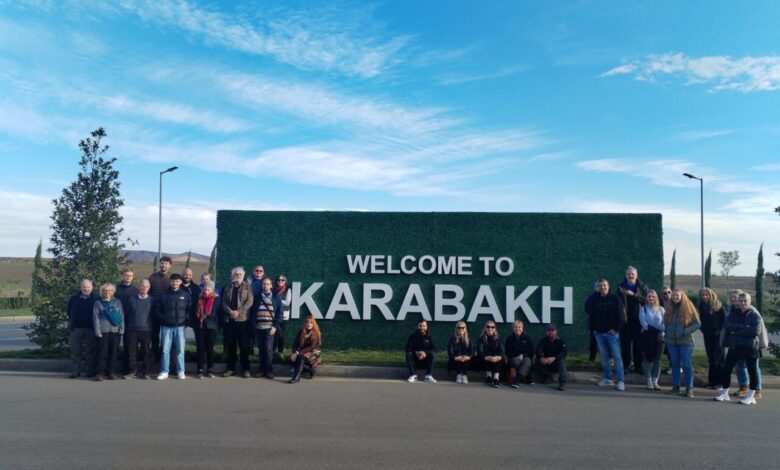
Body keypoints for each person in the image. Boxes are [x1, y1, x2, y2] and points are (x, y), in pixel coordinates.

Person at [715, 292, 762, 405]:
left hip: (750, 348)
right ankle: (725, 393)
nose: (743, 303)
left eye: (745, 301)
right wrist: (745, 327)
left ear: (749, 302)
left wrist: (736, 331)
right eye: (741, 301)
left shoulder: (755, 315)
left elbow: (755, 331)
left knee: (753, 371)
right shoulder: (733, 315)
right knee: (727, 370)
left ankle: (751, 396)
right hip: (735, 347)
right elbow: (727, 327)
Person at [586, 279, 626, 391]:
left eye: (604, 285)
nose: (602, 287)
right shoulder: (595, 299)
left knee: (617, 357)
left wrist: (616, 329)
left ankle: (621, 381)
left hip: (612, 334)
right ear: (598, 287)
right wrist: (593, 329)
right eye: (600, 286)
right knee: (604, 358)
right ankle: (608, 379)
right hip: (599, 333)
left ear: (608, 286)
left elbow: (621, 315)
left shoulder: (615, 298)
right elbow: (590, 312)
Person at [663, 289, 701, 397]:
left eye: (677, 295)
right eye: (673, 295)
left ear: (682, 296)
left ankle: (689, 388)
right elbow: (665, 322)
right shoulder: (669, 308)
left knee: (687, 365)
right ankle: (676, 387)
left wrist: (685, 331)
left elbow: (697, 324)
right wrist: (666, 333)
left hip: (685, 342)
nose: (675, 297)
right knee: (675, 365)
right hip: (671, 341)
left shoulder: (688, 307)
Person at [154, 273, 191, 380]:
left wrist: (185, 321)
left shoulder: (185, 294)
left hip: (180, 327)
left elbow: (190, 309)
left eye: (177, 281)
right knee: (165, 350)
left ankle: (181, 371)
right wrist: (164, 320)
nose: (175, 283)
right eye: (173, 281)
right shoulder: (163, 295)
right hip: (166, 327)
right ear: (170, 282)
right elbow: (157, 309)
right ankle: (164, 371)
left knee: (180, 350)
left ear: (180, 282)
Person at [221, 267, 253, 378]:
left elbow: (250, 301)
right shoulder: (228, 287)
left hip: (243, 321)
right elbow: (223, 302)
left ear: (243, 275)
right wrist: (230, 312)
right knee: (231, 346)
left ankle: (246, 369)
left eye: (239, 274)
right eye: (236, 274)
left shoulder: (247, 286)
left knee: (244, 346)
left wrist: (238, 312)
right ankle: (230, 369)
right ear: (232, 275)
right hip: (230, 321)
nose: (237, 276)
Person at [617, 266, 649, 375]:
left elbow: (648, 299)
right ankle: (626, 366)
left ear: (636, 275)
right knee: (625, 345)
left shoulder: (642, 286)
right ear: (626, 275)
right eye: (629, 274)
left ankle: (638, 366)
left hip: (639, 320)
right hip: (625, 320)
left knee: (638, 345)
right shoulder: (620, 287)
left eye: (633, 274)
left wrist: (634, 295)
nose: (631, 276)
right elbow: (618, 302)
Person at [92, 283, 125, 381]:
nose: (107, 292)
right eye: (105, 290)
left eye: (109, 290)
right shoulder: (98, 303)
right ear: (102, 292)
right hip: (102, 331)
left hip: (115, 331)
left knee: (113, 352)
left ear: (113, 292)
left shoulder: (117, 302)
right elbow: (95, 318)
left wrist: (122, 329)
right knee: (101, 352)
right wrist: (97, 331)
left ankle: (111, 372)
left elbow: (121, 316)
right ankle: (99, 373)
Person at [123, 279, 154, 379]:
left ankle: (146, 372)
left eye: (146, 286)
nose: (144, 288)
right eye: (142, 286)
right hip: (132, 329)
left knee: (146, 352)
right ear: (139, 287)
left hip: (146, 329)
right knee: (132, 352)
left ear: (149, 288)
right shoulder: (131, 299)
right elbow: (126, 314)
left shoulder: (152, 300)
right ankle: (132, 371)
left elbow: (154, 316)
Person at [253, 277, 284, 379]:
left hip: (270, 328)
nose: (266, 286)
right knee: (261, 349)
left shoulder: (276, 297)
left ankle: (269, 370)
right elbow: (252, 312)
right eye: (264, 284)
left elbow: (280, 313)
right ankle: (262, 370)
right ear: (262, 285)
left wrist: (275, 326)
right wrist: (254, 325)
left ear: (271, 285)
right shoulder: (257, 296)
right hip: (258, 328)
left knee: (268, 349)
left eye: (268, 284)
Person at [67, 279, 98, 378]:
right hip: (76, 329)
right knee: (75, 351)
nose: (86, 289)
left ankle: (89, 370)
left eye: (88, 287)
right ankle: (75, 371)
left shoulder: (96, 298)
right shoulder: (74, 298)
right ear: (81, 288)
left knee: (90, 351)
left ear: (92, 288)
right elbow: (69, 311)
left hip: (91, 329)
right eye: (84, 287)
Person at [699, 287, 725, 389]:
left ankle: (721, 382)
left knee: (719, 359)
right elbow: (700, 321)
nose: (705, 297)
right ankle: (712, 382)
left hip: (718, 336)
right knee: (711, 359)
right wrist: (703, 329)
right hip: (708, 336)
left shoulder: (718, 306)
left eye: (707, 294)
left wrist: (719, 331)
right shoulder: (701, 306)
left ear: (711, 295)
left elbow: (724, 321)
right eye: (703, 295)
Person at [638, 289, 665, 390]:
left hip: (660, 337)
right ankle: (648, 380)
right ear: (646, 298)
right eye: (649, 296)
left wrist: (661, 332)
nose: (651, 298)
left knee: (657, 359)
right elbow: (644, 324)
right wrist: (657, 331)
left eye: (653, 296)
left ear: (656, 298)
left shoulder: (661, 309)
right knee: (648, 359)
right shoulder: (643, 309)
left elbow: (664, 323)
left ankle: (655, 381)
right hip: (647, 337)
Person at [193, 283, 220, 378]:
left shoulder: (217, 299)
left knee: (210, 349)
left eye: (209, 288)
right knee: (200, 348)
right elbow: (194, 312)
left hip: (212, 327)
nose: (206, 290)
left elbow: (220, 313)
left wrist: (217, 325)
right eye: (205, 288)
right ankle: (200, 369)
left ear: (212, 290)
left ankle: (210, 369)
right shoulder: (199, 299)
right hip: (200, 327)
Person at [148, 255, 173, 357]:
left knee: (166, 336)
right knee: (154, 335)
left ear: (170, 265)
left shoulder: (172, 278)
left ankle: (165, 357)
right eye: (162, 263)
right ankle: (154, 356)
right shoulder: (153, 277)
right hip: (154, 311)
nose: (163, 265)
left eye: (166, 263)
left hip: (167, 312)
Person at [288, 314, 322, 383]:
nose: (309, 324)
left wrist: (298, 353)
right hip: (302, 352)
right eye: (307, 322)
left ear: (313, 324)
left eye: (311, 323)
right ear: (304, 323)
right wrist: (294, 353)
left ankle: (296, 377)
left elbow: (311, 347)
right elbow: (295, 344)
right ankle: (310, 370)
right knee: (291, 360)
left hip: (314, 353)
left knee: (300, 357)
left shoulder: (315, 333)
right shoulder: (301, 331)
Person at [534, 324, 568, 391]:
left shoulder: (561, 341)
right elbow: (538, 350)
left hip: (557, 362)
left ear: (556, 331)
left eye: (552, 330)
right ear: (546, 332)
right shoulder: (543, 341)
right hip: (547, 362)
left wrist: (554, 358)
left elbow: (564, 353)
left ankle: (562, 383)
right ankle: (547, 376)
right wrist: (541, 358)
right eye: (548, 331)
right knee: (537, 360)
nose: (550, 332)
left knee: (561, 360)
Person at [505, 320, 534, 388]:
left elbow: (531, 352)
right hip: (513, 359)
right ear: (513, 329)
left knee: (527, 361)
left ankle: (516, 380)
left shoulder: (527, 338)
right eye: (515, 327)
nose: (518, 329)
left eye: (519, 327)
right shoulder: (509, 339)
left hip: (525, 358)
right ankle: (527, 375)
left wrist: (523, 355)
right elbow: (507, 352)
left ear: (522, 328)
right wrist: (517, 357)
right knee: (517, 362)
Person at [477, 320, 505, 388]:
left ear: (494, 328)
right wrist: (487, 357)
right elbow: (480, 351)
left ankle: (496, 379)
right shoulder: (481, 339)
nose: (490, 328)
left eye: (492, 327)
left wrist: (498, 357)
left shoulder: (498, 339)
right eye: (488, 327)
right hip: (485, 359)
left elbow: (502, 350)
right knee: (484, 359)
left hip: (496, 359)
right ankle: (488, 376)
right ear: (485, 328)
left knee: (500, 359)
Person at [274, 274, 292, 357]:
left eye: (282, 280)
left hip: (284, 314)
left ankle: (280, 351)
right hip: (273, 314)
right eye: (279, 280)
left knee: (281, 333)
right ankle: (272, 350)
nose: (280, 281)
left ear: (285, 281)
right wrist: (280, 301)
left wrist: (276, 301)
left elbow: (287, 303)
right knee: (273, 333)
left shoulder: (288, 290)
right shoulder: (273, 289)